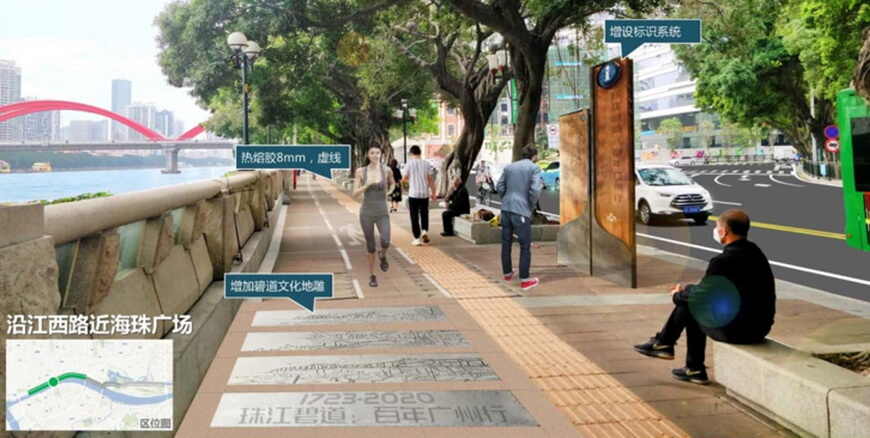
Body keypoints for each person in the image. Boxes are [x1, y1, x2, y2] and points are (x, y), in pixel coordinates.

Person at [633, 209, 776, 385]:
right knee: (693, 298)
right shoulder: (755, 252)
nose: (715, 230)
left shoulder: (722, 261)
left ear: (724, 232)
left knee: (692, 305)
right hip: (760, 327)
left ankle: (670, 348)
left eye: (717, 227)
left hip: (739, 331)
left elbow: (700, 297)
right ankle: (676, 354)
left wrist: (677, 295)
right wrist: (688, 291)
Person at [496, 146, 543, 291]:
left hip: (506, 208)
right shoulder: (534, 168)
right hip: (521, 210)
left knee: (506, 242)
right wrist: (530, 204)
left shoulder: (509, 167)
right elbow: (536, 190)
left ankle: (507, 273)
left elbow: (499, 186)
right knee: (525, 245)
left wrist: (506, 198)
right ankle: (525, 279)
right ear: (534, 156)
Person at [352, 146, 396, 288]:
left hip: (382, 211)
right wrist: (367, 185)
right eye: (372, 153)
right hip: (366, 212)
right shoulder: (361, 171)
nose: (375, 155)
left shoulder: (387, 170)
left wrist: (389, 192)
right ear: (368, 155)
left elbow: (393, 183)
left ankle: (382, 255)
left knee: (386, 240)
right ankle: (372, 275)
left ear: (381, 154)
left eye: (378, 153)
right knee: (370, 245)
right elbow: (355, 194)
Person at [402, 145, 436, 245]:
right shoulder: (426, 163)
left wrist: (406, 185)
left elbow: (404, 179)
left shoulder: (409, 164)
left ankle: (416, 238)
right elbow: (431, 180)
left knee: (414, 216)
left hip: (413, 194)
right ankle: (424, 231)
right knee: (424, 213)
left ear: (411, 153)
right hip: (424, 193)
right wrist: (433, 193)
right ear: (420, 153)